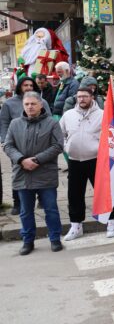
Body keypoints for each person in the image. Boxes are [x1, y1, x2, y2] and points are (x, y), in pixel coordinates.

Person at [3, 92, 64, 254]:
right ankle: (28, 241)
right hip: (23, 174)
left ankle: (55, 238)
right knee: (25, 211)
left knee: (51, 209)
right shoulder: (15, 124)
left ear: (41, 105)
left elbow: (58, 146)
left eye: (33, 104)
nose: (30, 107)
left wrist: (36, 160)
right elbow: (8, 146)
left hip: (45, 173)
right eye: (27, 104)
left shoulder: (51, 123)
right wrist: (22, 160)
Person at [59, 87, 114, 240]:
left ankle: (110, 222)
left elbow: (111, 135)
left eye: (85, 96)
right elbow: (60, 134)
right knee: (74, 194)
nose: (82, 99)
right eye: (79, 97)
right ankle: (76, 225)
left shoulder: (102, 115)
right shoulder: (68, 115)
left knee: (103, 191)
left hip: (96, 160)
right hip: (74, 161)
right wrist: (67, 146)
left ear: (92, 97)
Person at [0, 77, 51, 216]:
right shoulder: (9, 104)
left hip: (40, 144)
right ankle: (18, 203)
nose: (28, 87)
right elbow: (4, 123)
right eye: (25, 85)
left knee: (41, 171)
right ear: (19, 87)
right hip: (17, 146)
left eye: (30, 85)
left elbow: (49, 120)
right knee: (18, 173)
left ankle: (42, 199)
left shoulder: (42, 102)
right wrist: (5, 141)